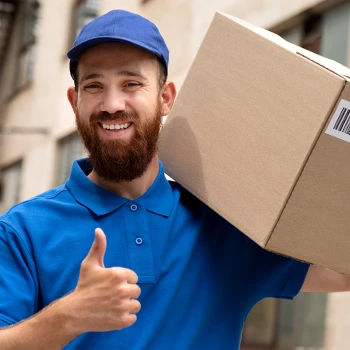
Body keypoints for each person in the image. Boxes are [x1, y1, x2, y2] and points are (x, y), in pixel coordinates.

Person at [0, 9, 349, 350]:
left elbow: (342, 271)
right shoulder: (23, 230)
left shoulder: (224, 224)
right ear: (75, 102)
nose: (112, 103)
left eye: (131, 83)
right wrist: (68, 317)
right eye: (94, 86)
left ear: (165, 98)